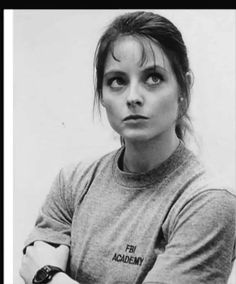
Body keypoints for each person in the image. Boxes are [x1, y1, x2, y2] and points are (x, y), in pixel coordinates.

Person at [19, 11, 236, 284]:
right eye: (118, 81)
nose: (133, 97)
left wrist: (48, 278)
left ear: (184, 89)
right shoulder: (73, 183)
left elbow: (38, 273)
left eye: (153, 78)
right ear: (102, 95)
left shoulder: (208, 202)